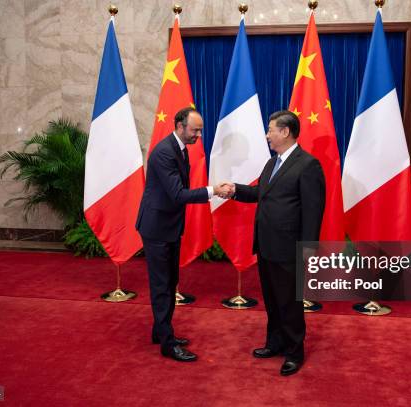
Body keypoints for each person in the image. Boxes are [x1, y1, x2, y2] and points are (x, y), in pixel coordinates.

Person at [220, 110, 326, 376]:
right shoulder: (273, 162)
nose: (267, 135)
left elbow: (314, 211)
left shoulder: (308, 164)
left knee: (290, 302)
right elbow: (260, 194)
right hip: (267, 246)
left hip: (289, 249)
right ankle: (275, 343)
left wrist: (308, 250)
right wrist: (235, 189)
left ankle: (294, 352)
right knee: (273, 300)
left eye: (271, 130)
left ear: (285, 132)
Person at [136, 107, 230, 362]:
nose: (198, 135)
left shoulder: (179, 148)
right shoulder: (165, 152)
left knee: (169, 282)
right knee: (162, 287)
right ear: (179, 125)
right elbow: (178, 194)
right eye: (195, 130)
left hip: (168, 227)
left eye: (200, 130)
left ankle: (160, 331)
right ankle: (167, 344)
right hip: (156, 229)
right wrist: (213, 191)